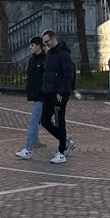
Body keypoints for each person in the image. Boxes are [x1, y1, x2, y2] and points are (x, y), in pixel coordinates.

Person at [38, 29, 74, 164]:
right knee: (44, 120)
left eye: (47, 41)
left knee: (60, 122)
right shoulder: (50, 53)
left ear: (53, 38)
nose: (46, 44)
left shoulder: (63, 54)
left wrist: (61, 92)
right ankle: (65, 141)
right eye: (44, 42)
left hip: (59, 95)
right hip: (49, 92)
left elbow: (68, 75)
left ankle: (61, 151)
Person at [16, 36, 46, 159]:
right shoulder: (32, 60)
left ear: (39, 46)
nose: (30, 47)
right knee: (49, 123)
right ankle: (66, 142)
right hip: (36, 96)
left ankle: (28, 149)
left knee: (33, 122)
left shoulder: (45, 60)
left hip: (43, 96)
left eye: (32, 45)